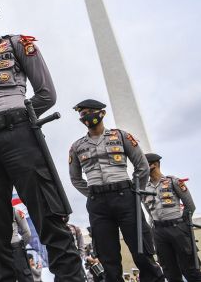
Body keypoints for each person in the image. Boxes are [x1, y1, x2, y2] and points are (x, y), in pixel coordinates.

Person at [0, 0, 84, 281]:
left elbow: (46, 93)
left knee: (47, 214)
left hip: (20, 134)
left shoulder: (16, 44)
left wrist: (18, 117)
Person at [69, 99, 163, 281]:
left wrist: (135, 192)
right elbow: (75, 179)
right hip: (98, 205)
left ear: (101, 113)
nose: (86, 116)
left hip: (125, 197)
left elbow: (142, 166)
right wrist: (94, 194)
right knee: (107, 257)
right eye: (82, 113)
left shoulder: (121, 136)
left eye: (90, 111)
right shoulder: (77, 146)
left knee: (142, 251)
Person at [144, 153, 201, 281]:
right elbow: (150, 212)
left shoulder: (173, 181)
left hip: (177, 228)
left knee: (190, 269)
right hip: (159, 232)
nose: (142, 168)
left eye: (145, 165)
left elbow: (190, 206)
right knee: (169, 271)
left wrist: (182, 226)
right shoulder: (144, 188)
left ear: (154, 165)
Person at [11, 208, 32, 282]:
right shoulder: (14, 210)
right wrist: (20, 246)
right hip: (16, 247)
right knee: (25, 277)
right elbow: (27, 233)